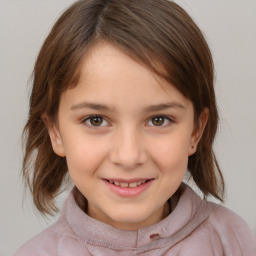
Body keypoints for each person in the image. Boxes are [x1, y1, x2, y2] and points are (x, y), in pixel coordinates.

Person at [14, 0, 256, 255]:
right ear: (55, 132)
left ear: (196, 131)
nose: (128, 156)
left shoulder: (234, 241)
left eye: (158, 120)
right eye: (96, 120)